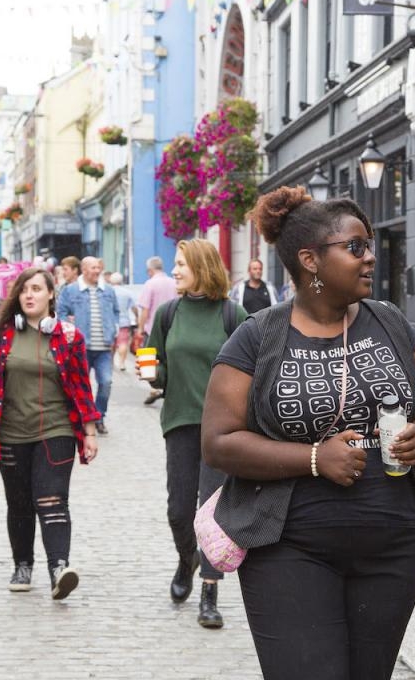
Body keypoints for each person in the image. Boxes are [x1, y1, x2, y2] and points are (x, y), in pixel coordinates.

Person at [201, 187, 415, 678]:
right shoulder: (258, 336)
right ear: (310, 260)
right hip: (290, 548)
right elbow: (219, 441)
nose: (370, 257)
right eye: (355, 247)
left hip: (392, 546)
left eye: (369, 245)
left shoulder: (390, 321)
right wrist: (314, 458)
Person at [0, 267, 100, 600]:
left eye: (36, 289)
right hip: (11, 433)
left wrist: (89, 431)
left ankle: (60, 568)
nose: (29, 295)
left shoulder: (69, 336)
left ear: (50, 295)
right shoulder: (2, 337)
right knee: (19, 503)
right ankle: (23, 564)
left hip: (55, 430)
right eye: (24, 290)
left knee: (52, 499)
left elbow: (82, 387)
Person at [141, 239, 246, 629]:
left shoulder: (232, 314)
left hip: (222, 431)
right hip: (180, 423)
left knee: (212, 513)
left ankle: (209, 592)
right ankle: (187, 560)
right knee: (178, 510)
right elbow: (154, 360)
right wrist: (149, 372)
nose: (175, 271)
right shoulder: (169, 314)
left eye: (181, 264)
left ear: (201, 267)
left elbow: (253, 368)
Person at [57, 256, 119, 435]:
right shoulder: (71, 290)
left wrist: (113, 329)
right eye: (93, 267)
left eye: (99, 267)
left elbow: (116, 312)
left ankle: (99, 416)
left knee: (106, 382)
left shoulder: (108, 290)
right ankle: (83, 416)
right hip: (81, 348)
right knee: (80, 385)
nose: (97, 271)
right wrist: (69, 330)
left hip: (104, 348)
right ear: (83, 269)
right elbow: (61, 313)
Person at [136, 256, 177, 405]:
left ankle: (155, 388)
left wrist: (140, 329)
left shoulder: (150, 284)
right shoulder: (174, 282)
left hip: (153, 330)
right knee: (169, 359)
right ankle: (169, 387)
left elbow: (145, 310)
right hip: (173, 328)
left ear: (150, 270)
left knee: (148, 361)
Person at [108, 272, 136, 372]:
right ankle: (122, 363)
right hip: (124, 320)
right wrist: (136, 317)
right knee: (123, 342)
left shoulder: (108, 291)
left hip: (110, 321)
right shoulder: (127, 292)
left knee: (111, 343)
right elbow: (133, 307)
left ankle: (110, 362)